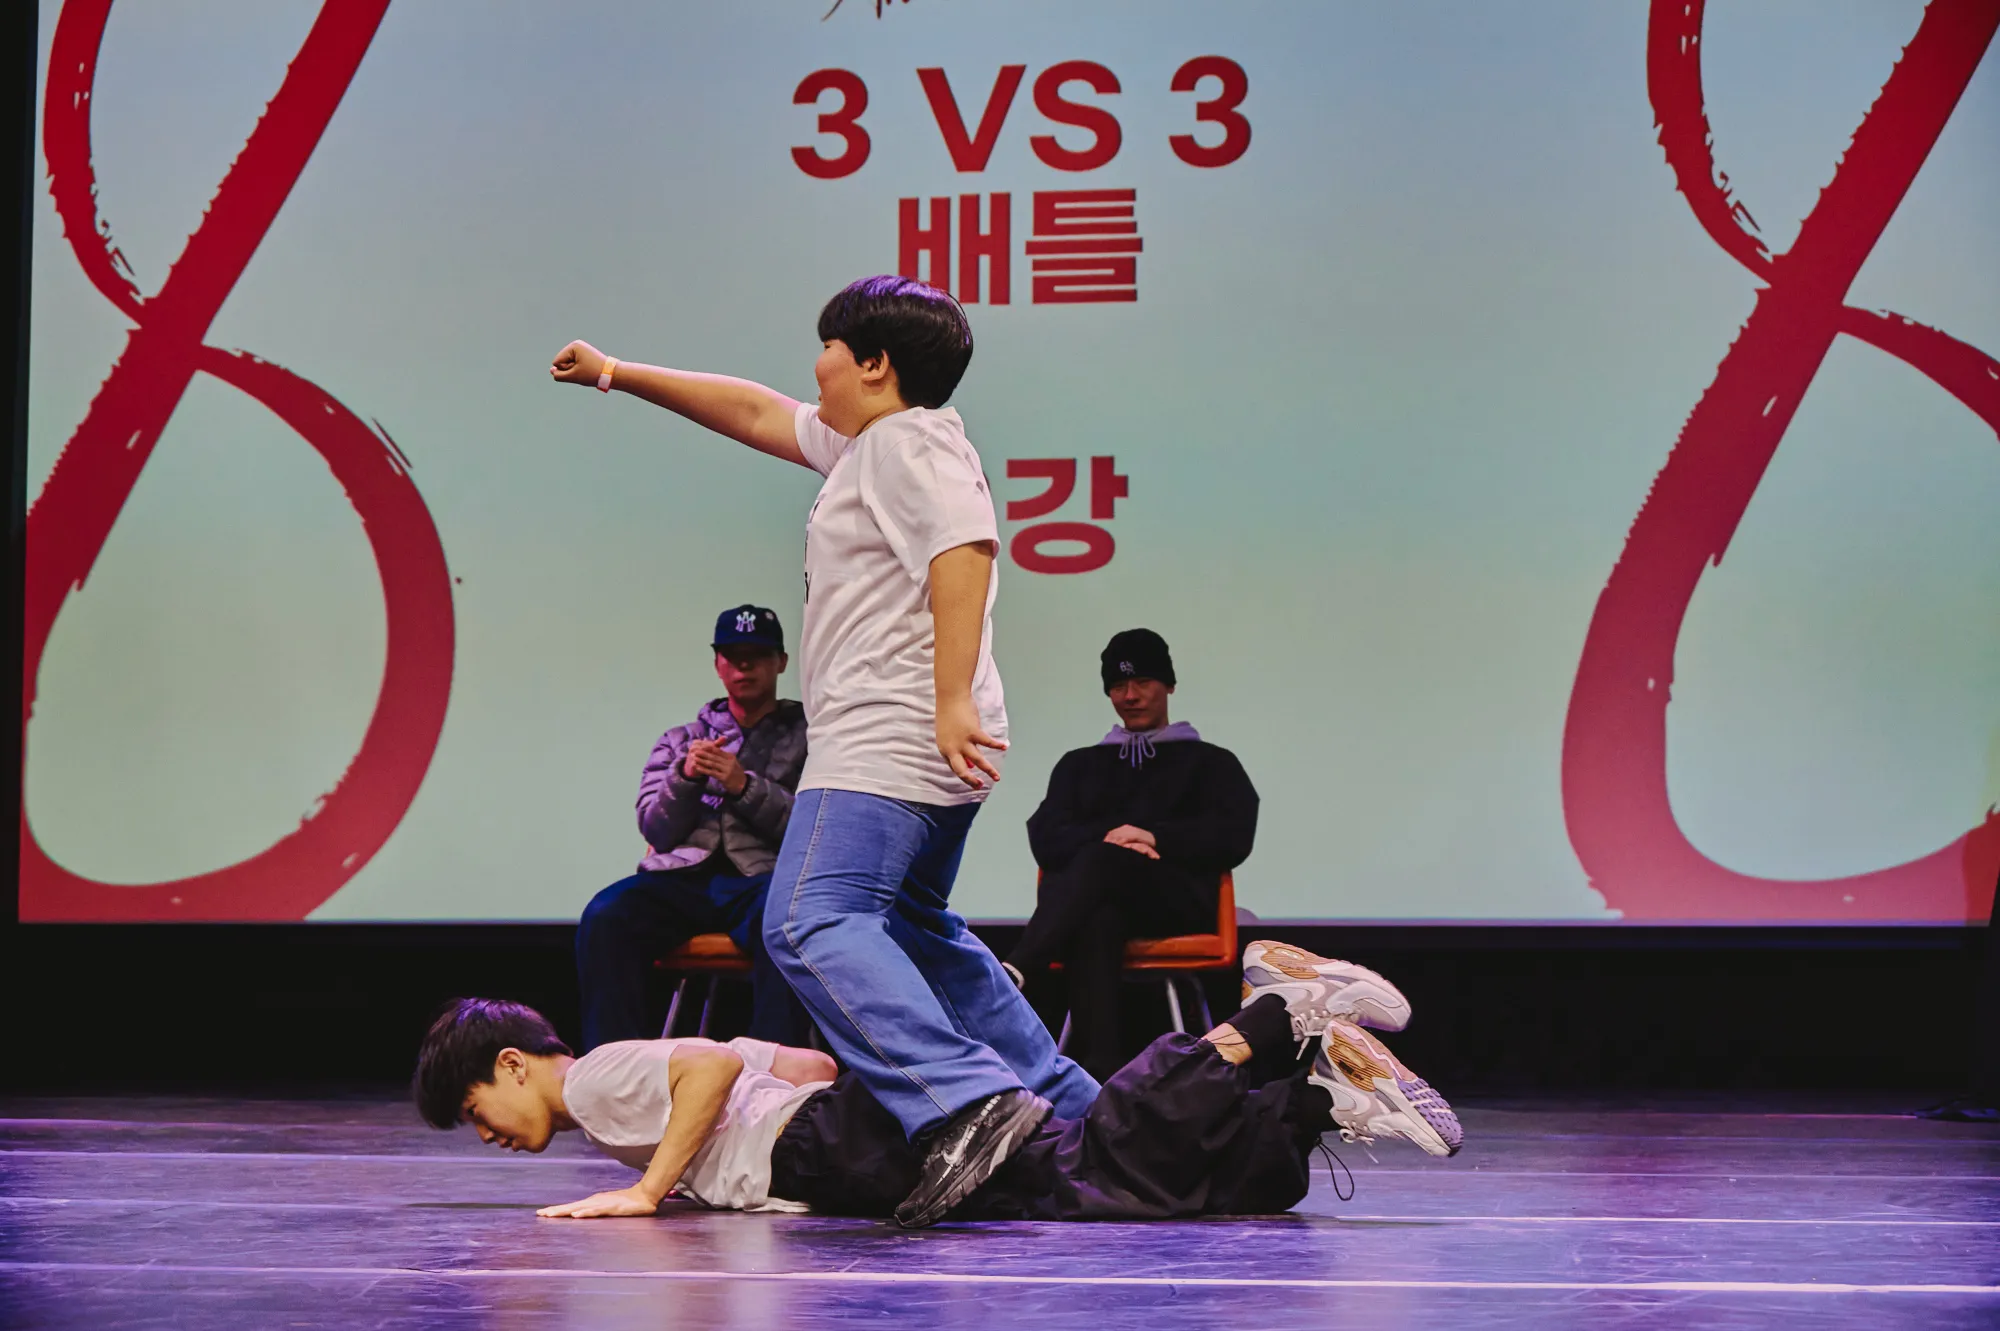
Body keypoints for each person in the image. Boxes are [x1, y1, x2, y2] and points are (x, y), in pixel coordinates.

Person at [550, 276, 1095, 1228]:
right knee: (915, 929)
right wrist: (616, 373)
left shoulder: (905, 442)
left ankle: (967, 1101)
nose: (815, 367)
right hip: (911, 739)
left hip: (888, 735)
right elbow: (755, 411)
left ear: (874, 365)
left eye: (828, 349)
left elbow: (965, 551)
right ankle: (1062, 1097)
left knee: (806, 921)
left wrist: (950, 697)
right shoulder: (871, 443)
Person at [412, 943, 1461, 1222]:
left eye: (474, 1111)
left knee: (1091, 1157)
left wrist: (648, 1189)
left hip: (825, 1146)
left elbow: (711, 1063)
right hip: (830, 1125)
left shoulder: (592, 1084)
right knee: (1089, 1180)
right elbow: (796, 1063)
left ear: (512, 1064)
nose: (487, 1131)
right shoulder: (611, 1087)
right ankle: (1309, 1100)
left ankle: (1270, 1017)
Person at [1006, 629, 1264, 1080]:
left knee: (1100, 864)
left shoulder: (1211, 762)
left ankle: (1019, 970)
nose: (1130, 696)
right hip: (1098, 903)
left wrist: (1153, 838)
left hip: (1177, 905)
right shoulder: (1079, 765)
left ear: (1169, 685)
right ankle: (1101, 1078)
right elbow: (1045, 838)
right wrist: (1114, 837)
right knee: (1098, 913)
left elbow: (1233, 836)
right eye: (1119, 686)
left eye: (1143, 682)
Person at [574, 605, 811, 1051]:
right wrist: (684, 778)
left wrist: (743, 786)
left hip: (763, 882)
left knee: (790, 920)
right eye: (733, 656)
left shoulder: (810, 738)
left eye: (757, 655)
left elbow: (812, 829)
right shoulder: (679, 740)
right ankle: (614, 1068)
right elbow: (655, 830)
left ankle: (775, 1074)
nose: (744, 666)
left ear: (780, 662)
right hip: (683, 882)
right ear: (717, 663)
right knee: (607, 915)